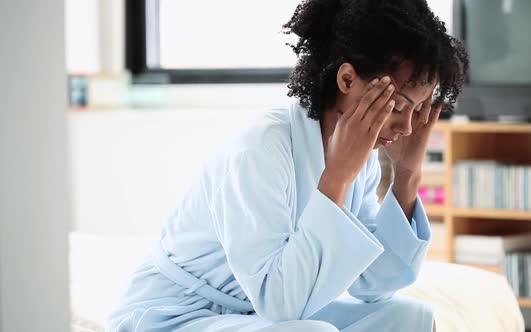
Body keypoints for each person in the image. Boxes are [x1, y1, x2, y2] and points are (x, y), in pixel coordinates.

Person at [108, 0, 468, 331]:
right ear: (347, 80)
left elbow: (374, 284)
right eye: (400, 106)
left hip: (251, 314)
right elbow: (280, 304)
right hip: (179, 314)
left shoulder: (360, 159)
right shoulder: (262, 148)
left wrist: (406, 175)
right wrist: (336, 178)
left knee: (412, 319)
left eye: (417, 111)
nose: (407, 128)